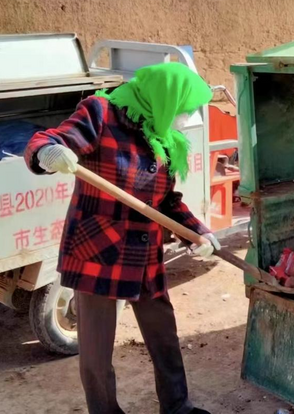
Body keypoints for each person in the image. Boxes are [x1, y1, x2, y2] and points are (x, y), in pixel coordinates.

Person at [25, 63, 219, 414]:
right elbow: (48, 139)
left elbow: (166, 203)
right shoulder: (101, 113)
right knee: (97, 354)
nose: (186, 119)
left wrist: (198, 232)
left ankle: (178, 407)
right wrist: (47, 153)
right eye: (184, 109)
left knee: (165, 336)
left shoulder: (164, 138)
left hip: (143, 257)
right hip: (97, 253)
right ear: (164, 98)